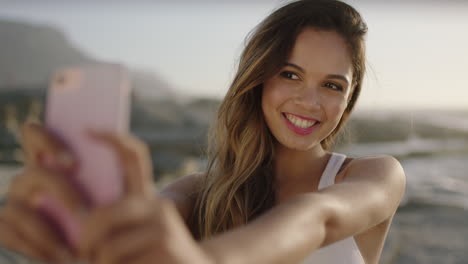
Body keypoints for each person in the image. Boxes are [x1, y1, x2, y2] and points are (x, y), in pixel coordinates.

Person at [0, 0, 406, 263]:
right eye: (290, 74)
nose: (310, 101)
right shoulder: (198, 192)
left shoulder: (375, 176)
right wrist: (94, 232)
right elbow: (151, 217)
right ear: (258, 78)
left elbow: (318, 218)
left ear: (349, 99)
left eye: (332, 85)